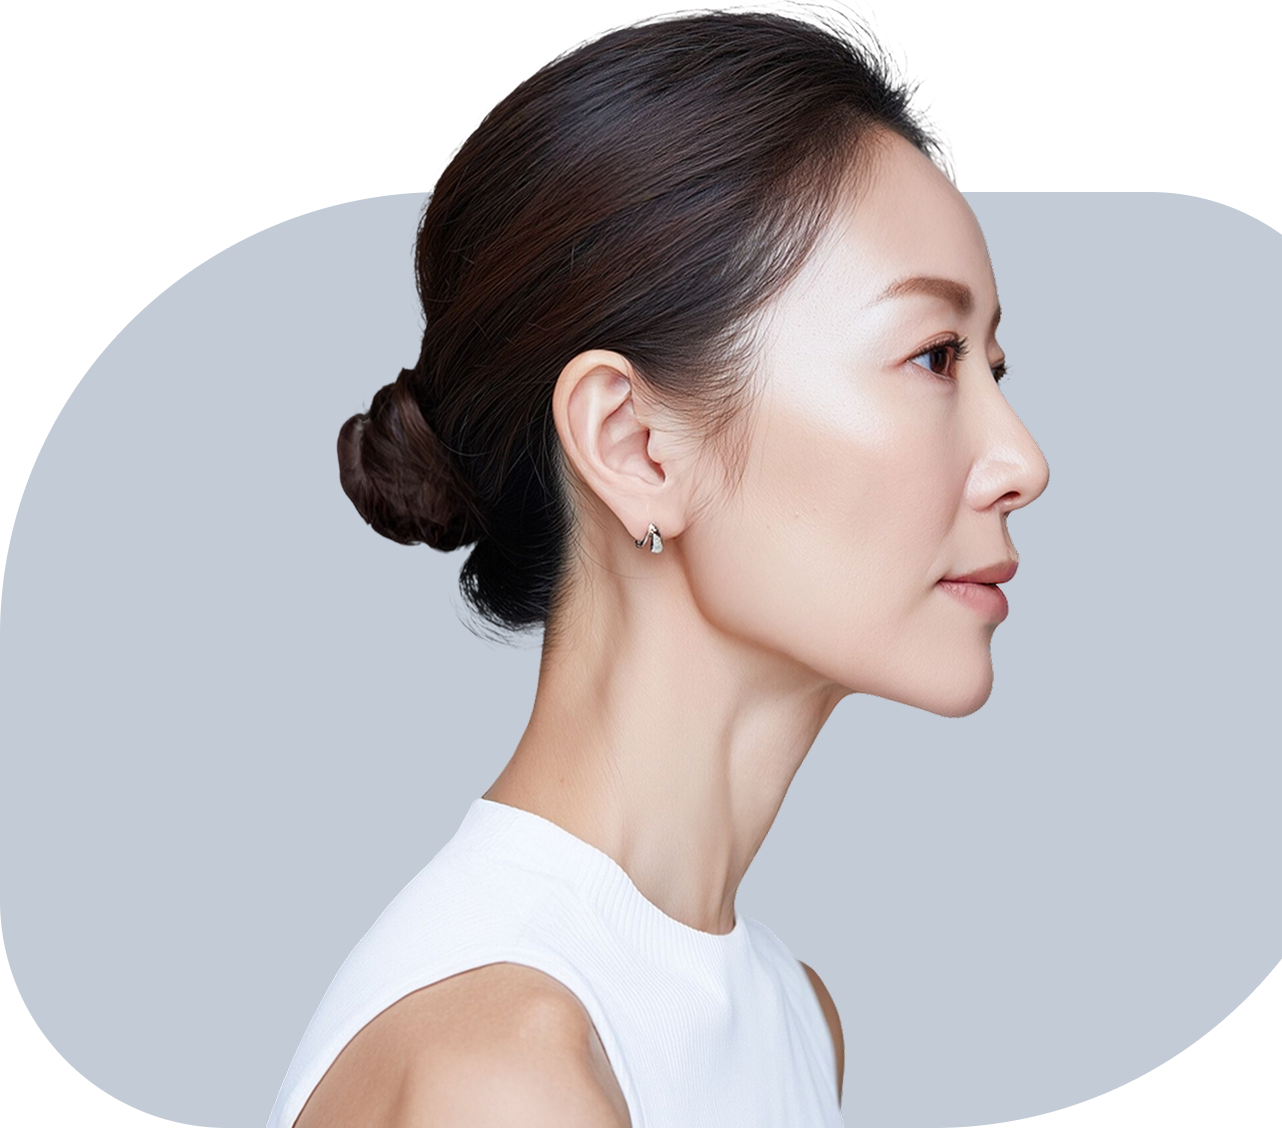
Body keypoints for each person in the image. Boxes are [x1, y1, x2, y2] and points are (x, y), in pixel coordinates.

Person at [269, 4, 1048, 1125]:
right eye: (933, 356)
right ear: (634, 445)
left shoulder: (792, 1015)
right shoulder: (504, 1073)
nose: (1022, 463)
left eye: (993, 365)